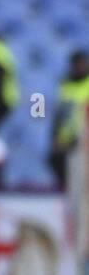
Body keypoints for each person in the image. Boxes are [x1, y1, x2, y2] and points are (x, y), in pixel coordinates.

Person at [49, 51, 89, 188]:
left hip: (85, 140)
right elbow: (58, 114)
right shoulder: (64, 85)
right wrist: (55, 137)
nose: (79, 67)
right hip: (67, 140)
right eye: (76, 64)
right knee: (57, 163)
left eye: (82, 64)